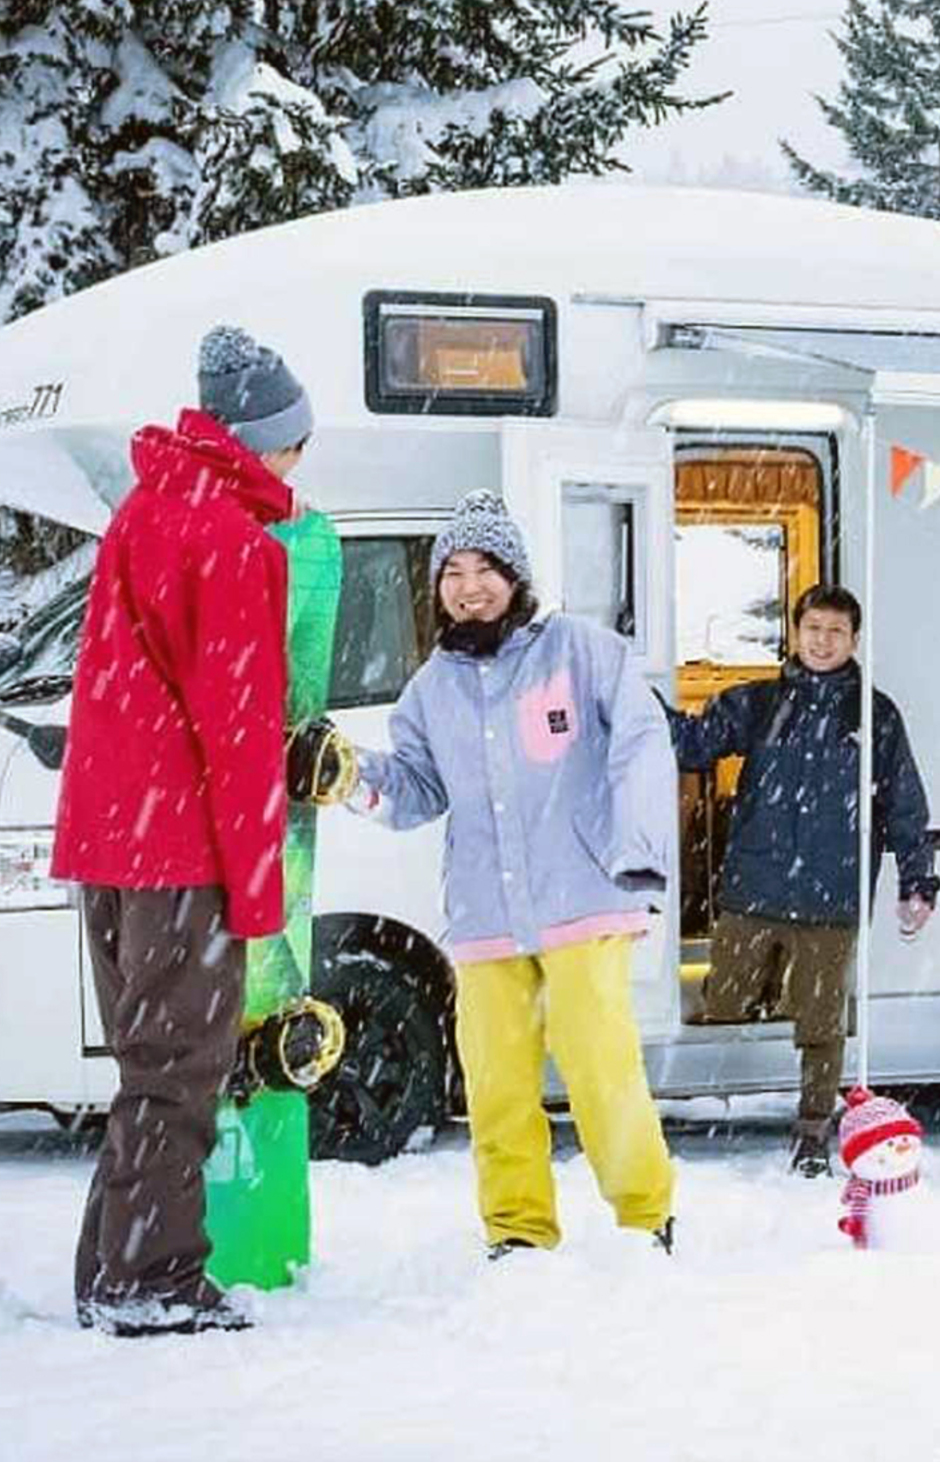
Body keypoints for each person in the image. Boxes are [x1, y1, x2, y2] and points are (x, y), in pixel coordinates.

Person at [53, 325, 315, 1335]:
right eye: (295, 439)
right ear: (260, 441)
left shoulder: (144, 513)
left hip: (111, 841)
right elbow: (239, 729)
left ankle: (111, 1265)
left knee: (145, 1064)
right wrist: (258, 895)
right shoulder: (234, 543)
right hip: (178, 852)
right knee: (179, 1070)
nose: (299, 459)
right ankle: (150, 1279)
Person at [347, 490, 680, 1257]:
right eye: (453, 572)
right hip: (485, 917)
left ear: (516, 575)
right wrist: (353, 777)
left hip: (584, 899)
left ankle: (645, 1215)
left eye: (486, 567)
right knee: (495, 1085)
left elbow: (640, 742)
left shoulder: (582, 652)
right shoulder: (431, 689)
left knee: (602, 1070)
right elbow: (416, 790)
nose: (470, 586)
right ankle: (519, 1231)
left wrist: (634, 849)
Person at [667, 584, 940, 1176]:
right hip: (754, 888)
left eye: (836, 632)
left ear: (854, 640)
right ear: (795, 634)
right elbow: (692, 745)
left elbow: (904, 804)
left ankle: (814, 1131)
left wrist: (918, 881)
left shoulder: (874, 714)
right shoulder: (760, 702)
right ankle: (768, 1011)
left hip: (831, 894)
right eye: (813, 629)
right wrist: (629, 703)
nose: (823, 641)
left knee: (821, 1025)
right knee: (725, 1000)